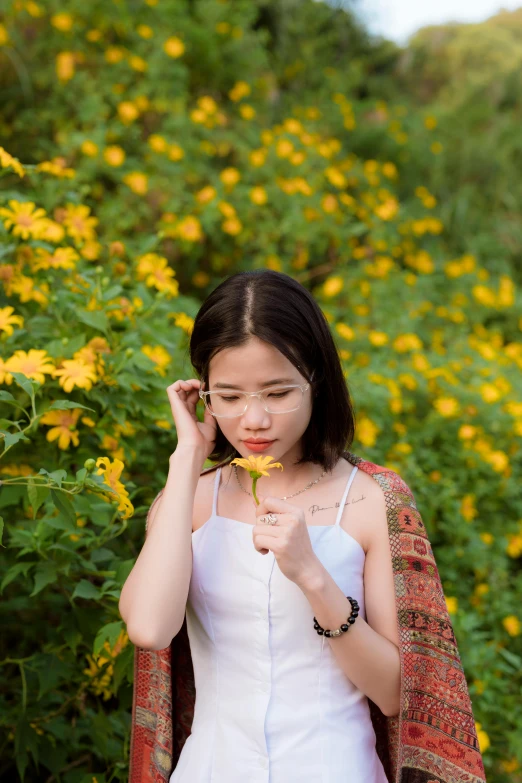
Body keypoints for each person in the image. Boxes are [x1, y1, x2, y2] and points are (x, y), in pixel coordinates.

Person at [120, 269, 486, 783]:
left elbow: (396, 693)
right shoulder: (190, 498)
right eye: (228, 397)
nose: (254, 419)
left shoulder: (369, 498)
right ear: (202, 394)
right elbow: (149, 628)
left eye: (276, 393)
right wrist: (187, 459)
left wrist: (314, 578)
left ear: (316, 381)